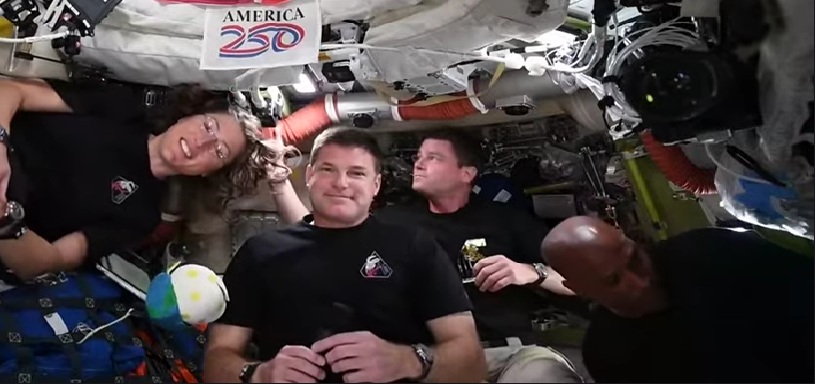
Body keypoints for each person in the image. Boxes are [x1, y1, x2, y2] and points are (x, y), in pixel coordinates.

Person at [267, 128, 581, 383]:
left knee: (543, 376)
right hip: (428, 361)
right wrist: (279, 183)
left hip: (509, 356)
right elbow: (317, 234)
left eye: (433, 158)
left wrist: (532, 271)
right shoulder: (393, 223)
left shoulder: (505, 219)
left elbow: (580, 282)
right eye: (418, 157)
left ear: (466, 173)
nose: (418, 164)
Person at [0, 77, 277, 287]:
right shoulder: (122, 108)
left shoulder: (140, 215)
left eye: (219, 151)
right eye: (209, 126)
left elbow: (45, 263)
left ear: (209, 172)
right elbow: (1, 89)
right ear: (190, 115)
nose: (203, 142)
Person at [203, 127, 486, 383]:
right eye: (328, 170)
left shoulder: (415, 247)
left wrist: (407, 361)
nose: (340, 183)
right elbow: (216, 361)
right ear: (310, 175)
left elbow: (472, 362)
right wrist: (259, 374)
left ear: (376, 185)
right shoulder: (259, 253)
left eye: (357, 173)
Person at [542, 216, 815, 383]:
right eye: (614, 280)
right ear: (579, 288)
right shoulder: (608, 354)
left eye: (635, 259)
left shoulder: (710, 252)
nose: (641, 282)